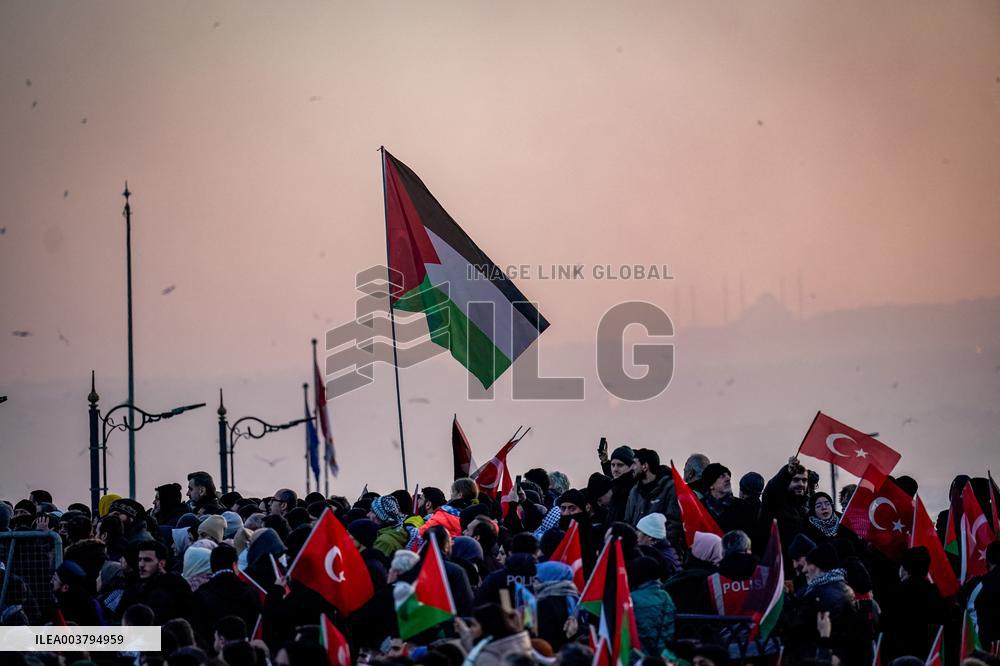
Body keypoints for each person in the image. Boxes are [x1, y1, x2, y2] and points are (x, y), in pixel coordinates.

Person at [880, 546, 950, 660]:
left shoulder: (895, 593)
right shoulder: (937, 594)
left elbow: (884, 627)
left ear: (905, 568)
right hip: (927, 655)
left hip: (899, 655)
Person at [190, 544, 261, 647]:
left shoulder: (201, 593)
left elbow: (198, 630)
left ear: (212, 566)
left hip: (213, 656)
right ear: (234, 565)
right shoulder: (250, 592)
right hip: (244, 652)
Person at [120, 540, 194, 624]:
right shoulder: (135, 587)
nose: (141, 564)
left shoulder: (175, 588)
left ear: (161, 563)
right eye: (139, 560)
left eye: (147, 560)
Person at [623, 449, 682, 548]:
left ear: (645, 466)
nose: (631, 468)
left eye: (634, 463)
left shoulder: (669, 488)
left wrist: (661, 547)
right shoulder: (634, 491)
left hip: (661, 554)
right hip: (638, 554)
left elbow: (674, 524)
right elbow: (628, 522)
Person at [762, 456, 811, 555]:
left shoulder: (805, 510)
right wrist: (787, 471)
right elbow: (772, 489)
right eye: (796, 480)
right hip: (779, 562)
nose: (801, 484)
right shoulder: (774, 503)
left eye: (804, 480)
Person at [630, 556, 676, 657]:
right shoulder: (665, 596)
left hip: (637, 654)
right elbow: (668, 627)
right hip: (661, 654)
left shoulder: (630, 598)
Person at [533, 561, 579, 651]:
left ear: (549, 578)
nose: (535, 582)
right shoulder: (577, 598)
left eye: (537, 579)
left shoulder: (544, 604)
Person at [635, 512, 680, 577]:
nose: (636, 534)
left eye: (639, 531)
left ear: (650, 537)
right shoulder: (659, 551)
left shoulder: (661, 559)